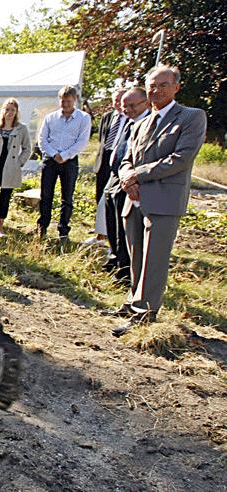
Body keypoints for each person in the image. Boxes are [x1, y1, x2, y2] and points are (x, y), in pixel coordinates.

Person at [109, 66, 206, 336]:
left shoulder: (190, 117)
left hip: (163, 200)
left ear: (176, 87)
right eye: (152, 85)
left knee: (155, 259)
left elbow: (180, 159)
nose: (156, 90)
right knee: (136, 256)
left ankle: (145, 313)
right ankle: (133, 302)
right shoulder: (140, 123)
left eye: (163, 85)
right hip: (134, 199)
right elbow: (126, 159)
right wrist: (127, 176)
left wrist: (136, 176)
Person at [103, 88, 150, 282]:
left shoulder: (148, 123)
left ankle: (125, 269)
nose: (127, 109)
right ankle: (115, 258)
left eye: (131, 106)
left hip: (131, 179)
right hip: (116, 175)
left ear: (145, 103)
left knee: (125, 225)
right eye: (124, 106)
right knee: (111, 218)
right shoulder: (128, 121)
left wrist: (130, 177)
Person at [37, 85, 92, 241]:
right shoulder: (50, 117)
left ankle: (63, 230)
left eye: (68, 101)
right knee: (46, 195)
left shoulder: (83, 118)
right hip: (51, 159)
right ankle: (42, 227)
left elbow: (82, 141)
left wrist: (65, 155)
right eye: (62, 101)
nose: (65, 104)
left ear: (74, 100)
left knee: (67, 197)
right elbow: (42, 139)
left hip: (70, 160)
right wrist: (54, 154)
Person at [0, 98, 32, 237]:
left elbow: (27, 149)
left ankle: (0, 226)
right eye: (7, 109)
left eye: (12, 110)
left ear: (16, 112)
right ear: (3, 111)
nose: (9, 113)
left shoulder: (22, 129)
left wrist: (19, 163)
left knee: (5, 197)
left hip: (10, 167)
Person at [86, 88, 126, 246]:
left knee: (115, 202)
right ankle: (100, 236)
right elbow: (103, 141)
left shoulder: (131, 119)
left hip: (120, 163)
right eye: (115, 100)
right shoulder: (107, 117)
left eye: (120, 100)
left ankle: (115, 239)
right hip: (103, 162)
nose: (117, 104)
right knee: (101, 199)